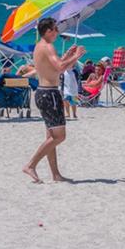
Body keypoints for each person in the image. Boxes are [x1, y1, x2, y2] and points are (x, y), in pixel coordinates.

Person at [23, 18, 85, 184]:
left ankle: (55, 174)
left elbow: (51, 67)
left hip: (43, 92)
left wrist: (67, 56)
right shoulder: (48, 46)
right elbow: (60, 68)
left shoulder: (39, 46)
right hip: (49, 94)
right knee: (59, 137)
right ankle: (31, 165)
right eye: (55, 29)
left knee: (51, 136)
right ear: (49, 31)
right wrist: (77, 56)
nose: (57, 32)